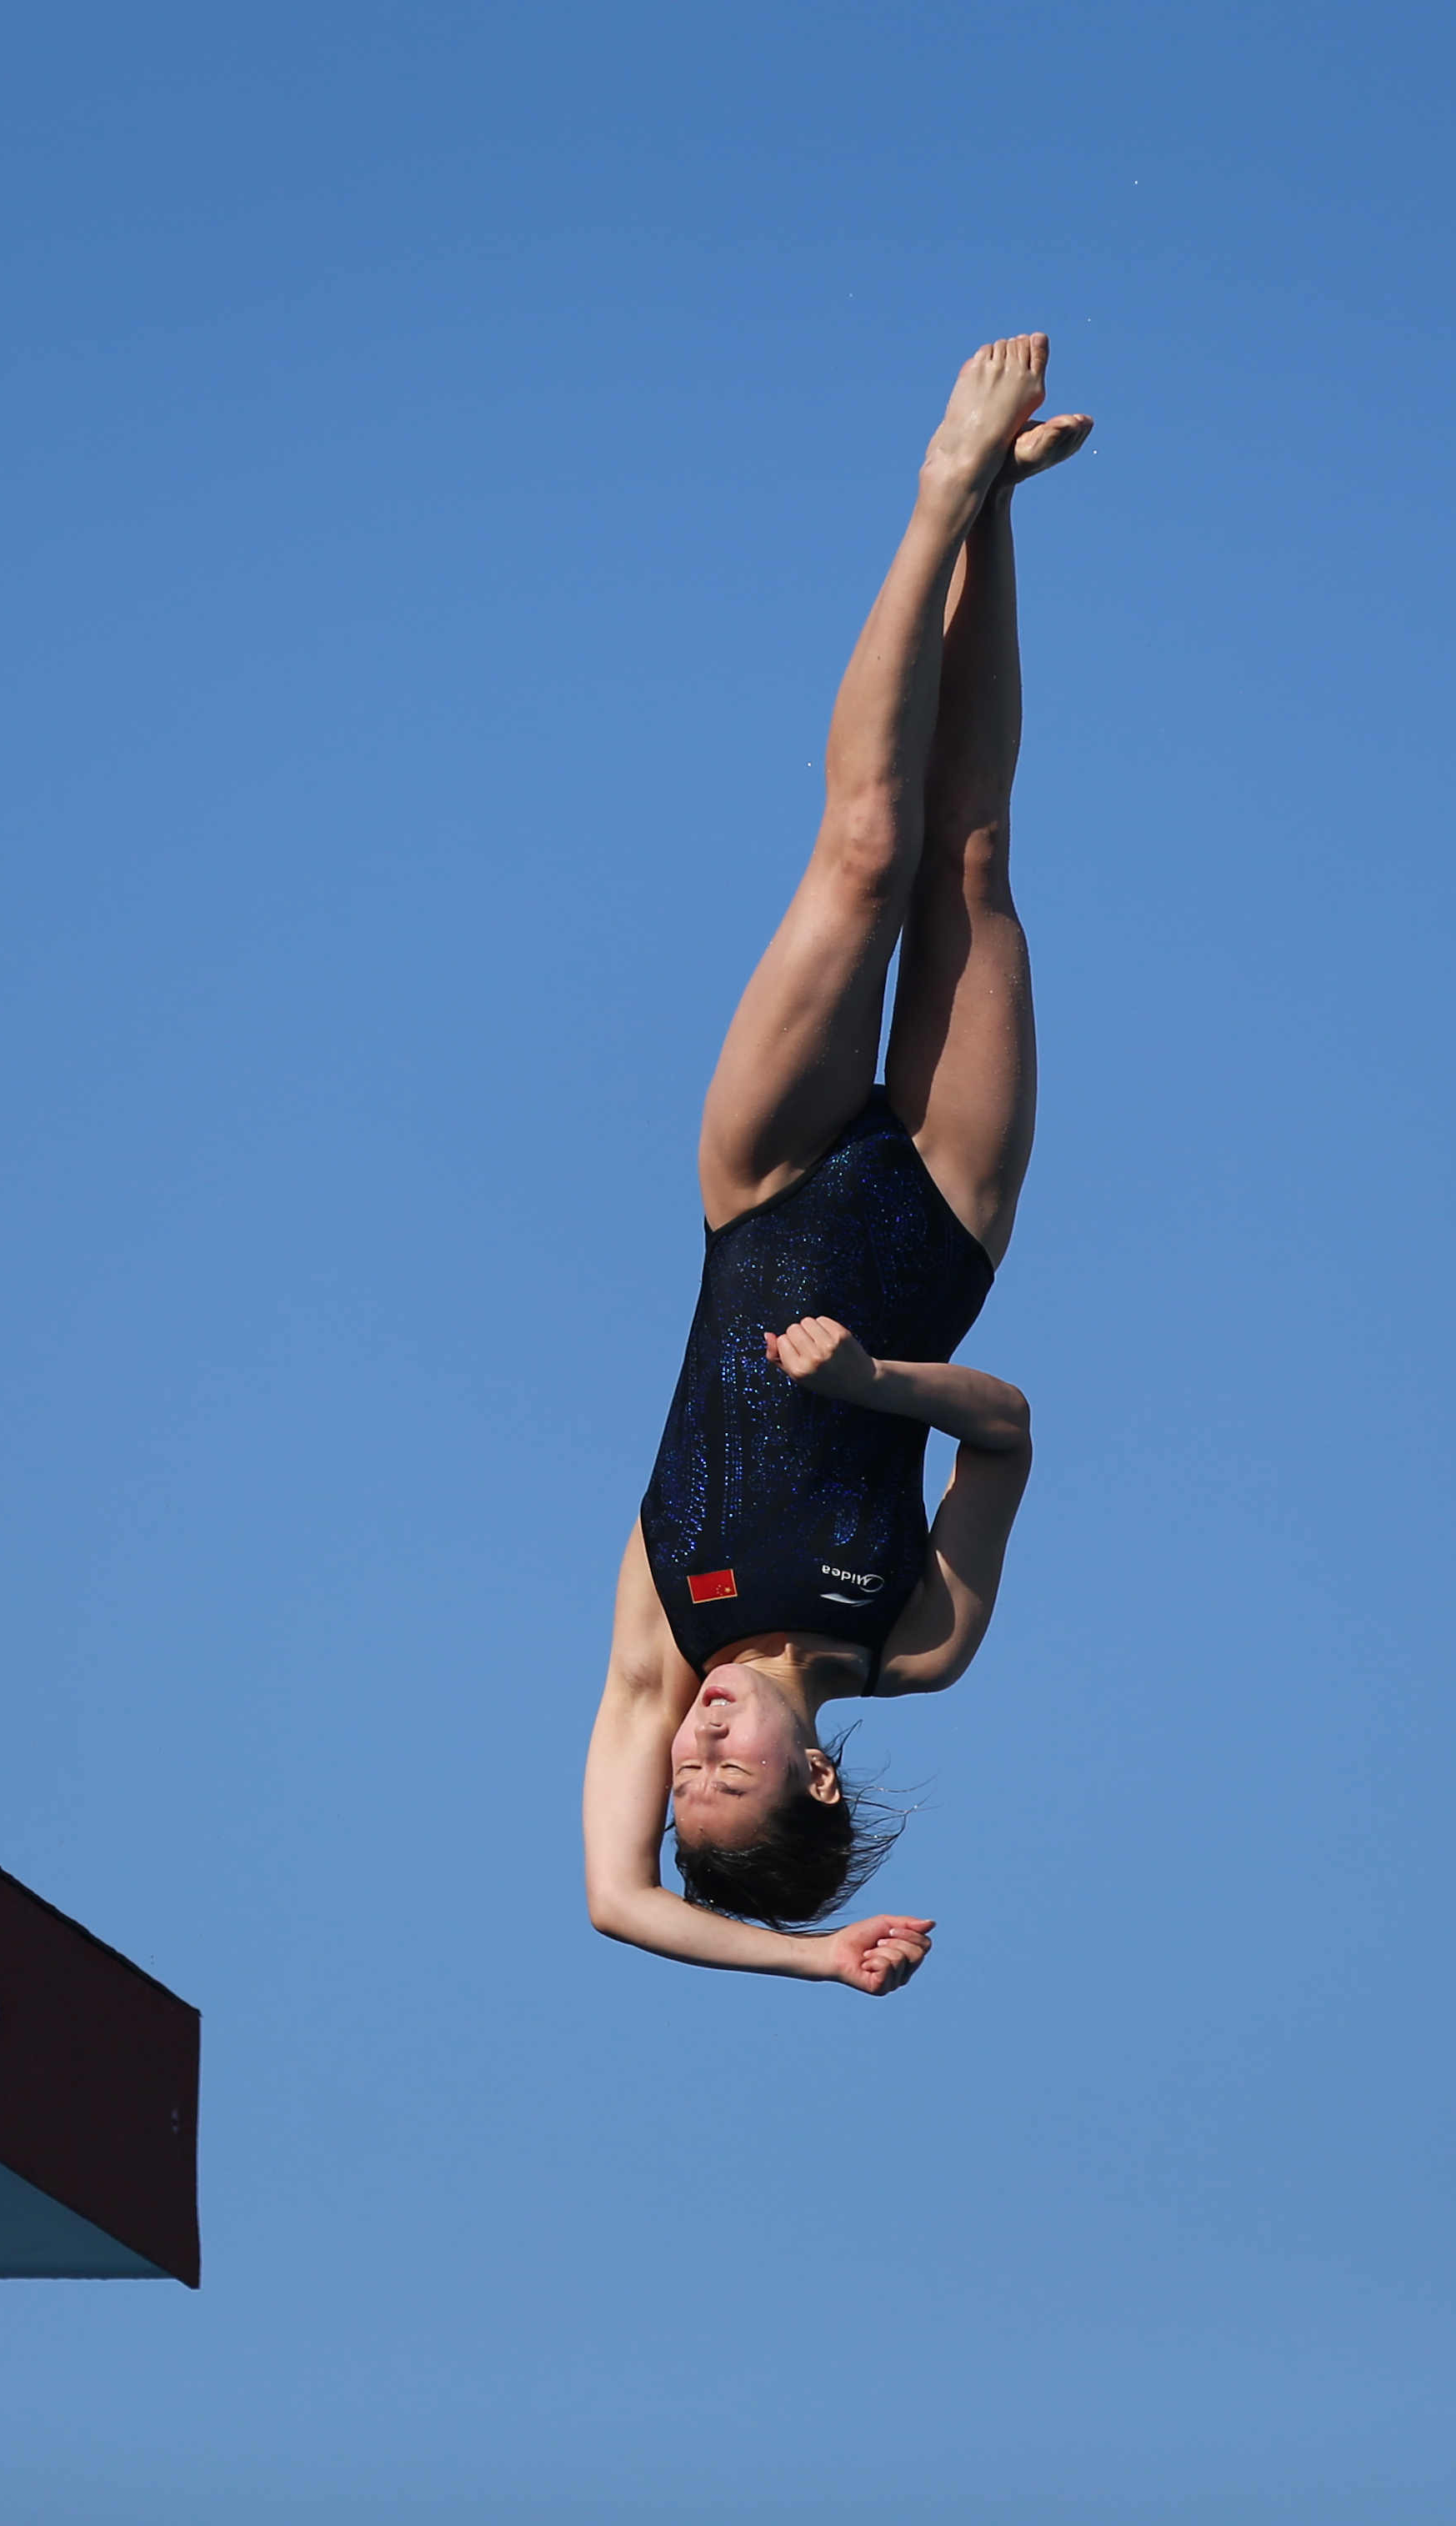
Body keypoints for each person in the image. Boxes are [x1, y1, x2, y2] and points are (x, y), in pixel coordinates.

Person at [583, 336, 1091, 1995]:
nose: (692, 1746)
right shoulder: (914, 1642)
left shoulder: (663, 1634)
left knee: (863, 851)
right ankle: (997, 510)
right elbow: (1008, 1434)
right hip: (939, 1217)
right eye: (723, 1771)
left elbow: (609, 1905)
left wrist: (810, 1970)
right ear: (813, 1771)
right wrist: (879, 1387)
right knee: (968, 844)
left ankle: (936, 492)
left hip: (768, 1188)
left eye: (680, 1783)